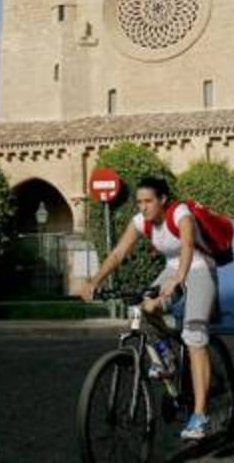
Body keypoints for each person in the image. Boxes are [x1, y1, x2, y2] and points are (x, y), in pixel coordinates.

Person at [79, 177, 219, 441]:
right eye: (139, 202)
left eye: (148, 201)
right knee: (144, 308)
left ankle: (201, 416)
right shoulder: (140, 221)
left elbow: (188, 245)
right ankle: (167, 356)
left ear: (162, 200)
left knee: (194, 334)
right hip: (170, 269)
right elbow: (119, 252)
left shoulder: (180, 213)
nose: (142, 207)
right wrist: (93, 282)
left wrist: (179, 278)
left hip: (200, 267)